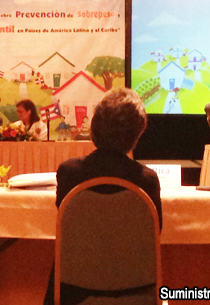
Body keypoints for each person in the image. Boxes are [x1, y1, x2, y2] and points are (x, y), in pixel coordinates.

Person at [44, 88, 162, 305]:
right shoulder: (147, 180)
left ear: (94, 127)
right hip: (135, 293)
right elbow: (154, 233)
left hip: (73, 294)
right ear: (139, 132)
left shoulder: (69, 173)